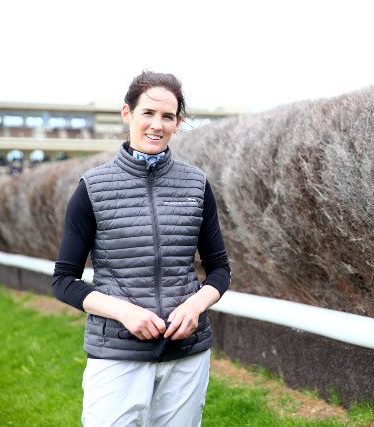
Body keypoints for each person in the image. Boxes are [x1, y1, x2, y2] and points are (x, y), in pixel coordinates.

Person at [52, 71, 231, 426]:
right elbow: (63, 281)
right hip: (116, 354)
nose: (157, 125)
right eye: (148, 112)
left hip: (187, 355)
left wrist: (194, 306)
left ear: (178, 122)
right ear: (127, 113)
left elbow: (220, 270)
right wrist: (125, 312)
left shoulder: (196, 184)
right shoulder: (93, 187)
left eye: (168, 116)